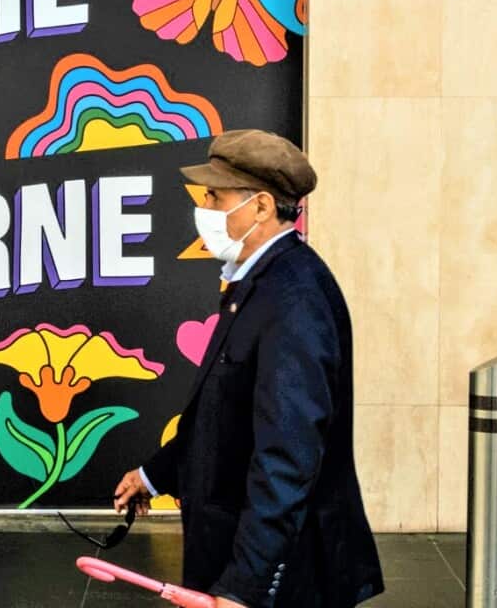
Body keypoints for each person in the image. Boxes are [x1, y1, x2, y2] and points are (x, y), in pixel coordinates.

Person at [113, 130, 383, 608]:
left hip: (283, 577)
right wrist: (154, 475)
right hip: (232, 550)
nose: (206, 208)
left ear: (260, 207)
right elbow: (223, 414)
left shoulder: (294, 300)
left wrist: (244, 587)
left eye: (216, 196)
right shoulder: (257, 282)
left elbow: (288, 457)